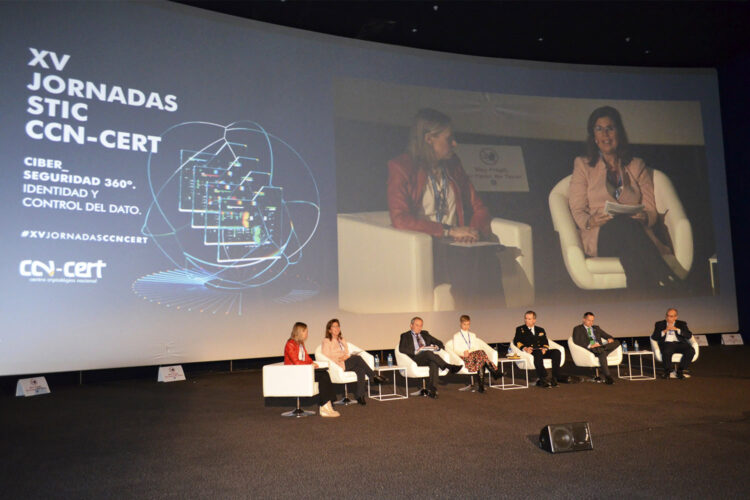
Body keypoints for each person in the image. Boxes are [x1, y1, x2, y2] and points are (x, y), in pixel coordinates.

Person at [387, 108, 505, 307]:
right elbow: (400, 219)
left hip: (458, 244)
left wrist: (471, 232)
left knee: (488, 260)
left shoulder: (453, 165)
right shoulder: (401, 167)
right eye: (449, 139)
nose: (454, 144)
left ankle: (496, 327)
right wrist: (449, 231)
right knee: (470, 262)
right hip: (430, 244)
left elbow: (480, 208)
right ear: (429, 139)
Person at [568, 105, 678, 290]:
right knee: (624, 226)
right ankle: (668, 279)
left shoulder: (637, 165)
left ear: (619, 132)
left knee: (631, 253)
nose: (605, 134)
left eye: (610, 128)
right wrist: (591, 220)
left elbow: (650, 209)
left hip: (634, 233)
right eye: (599, 129)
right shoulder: (583, 165)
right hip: (602, 235)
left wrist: (645, 217)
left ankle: (643, 297)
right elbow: (577, 210)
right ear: (594, 137)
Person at [321, 318, 387, 405]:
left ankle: (360, 396)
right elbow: (326, 356)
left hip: (346, 362)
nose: (337, 328)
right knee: (357, 358)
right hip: (337, 364)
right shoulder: (326, 341)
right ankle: (373, 376)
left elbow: (346, 352)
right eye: (334, 327)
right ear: (329, 330)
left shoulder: (341, 340)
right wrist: (340, 358)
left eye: (338, 326)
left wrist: (345, 350)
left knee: (361, 370)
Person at [284, 322, 340, 417]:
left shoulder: (300, 343)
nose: (307, 334)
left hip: (304, 370)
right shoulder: (290, 344)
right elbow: (296, 362)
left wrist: (312, 363)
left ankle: (327, 404)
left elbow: (306, 357)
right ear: (300, 332)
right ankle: (324, 407)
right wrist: (310, 365)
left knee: (324, 373)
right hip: (295, 372)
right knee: (322, 376)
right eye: (306, 331)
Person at [398, 316, 462, 398]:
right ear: (411, 325)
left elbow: (439, 343)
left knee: (433, 362)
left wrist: (436, 347)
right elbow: (402, 348)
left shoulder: (425, 334)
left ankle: (433, 390)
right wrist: (416, 351)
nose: (419, 327)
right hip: (415, 358)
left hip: (428, 357)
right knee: (428, 352)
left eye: (421, 325)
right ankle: (448, 366)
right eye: (417, 325)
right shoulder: (405, 335)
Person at [451, 314, 503, 393]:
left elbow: (475, 347)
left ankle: (481, 387)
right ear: (460, 324)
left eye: (468, 324)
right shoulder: (456, 336)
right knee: (482, 357)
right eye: (464, 324)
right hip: (465, 357)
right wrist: (463, 352)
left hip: (474, 356)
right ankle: (494, 372)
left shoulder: (472, 335)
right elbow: (455, 349)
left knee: (481, 355)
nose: (466, 326)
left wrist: (470, 350)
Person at [513, 311, 566, 387]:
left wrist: (545, 348)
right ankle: (543, 378)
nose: (526, 320)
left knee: (556, 352)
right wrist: (525, 348)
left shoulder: (540, 329)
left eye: (529, 319)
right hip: (531, 351)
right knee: (537, 353)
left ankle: (554, 377)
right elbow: (516, 341)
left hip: (541, 350)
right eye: (526, 318)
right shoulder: (520, 329)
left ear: (534, 320)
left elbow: (545, 341)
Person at [571, 312, 620, 385]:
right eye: (589, 320)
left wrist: (610, 338)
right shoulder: (577, 329)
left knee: (616, 342)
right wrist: (590, 345)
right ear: (584, 320)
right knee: (602, 352)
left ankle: (601, 348)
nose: (591, 322)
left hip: (599, 347)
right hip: (590, 349)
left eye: (592, 321)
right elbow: (577, 341)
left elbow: (607, 336)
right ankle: (608, 377)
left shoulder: (596, 328)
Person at [651, 308, 695, 379]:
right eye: (667, 316)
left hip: (679, 343)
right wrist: (664, 331)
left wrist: (677, 330)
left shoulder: (682, 324)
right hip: (667, 343)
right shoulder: (659, 324)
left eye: (671, 316)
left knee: (691, 351)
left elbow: (689, 335)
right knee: (667, 351)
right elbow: (654, 337)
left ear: (676, 317)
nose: (668, 318)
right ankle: (667, 372)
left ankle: (680, 371)